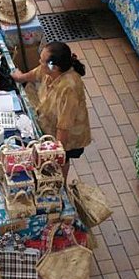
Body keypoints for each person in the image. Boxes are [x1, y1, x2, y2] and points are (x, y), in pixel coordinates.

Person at [11, 41, 91, 182]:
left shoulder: (69, 88)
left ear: (53, 67)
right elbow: (37, 72)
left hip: (68, 135)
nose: (39, 62)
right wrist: (21, 77)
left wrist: (53, 154)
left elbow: (63, 128)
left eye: (42, 61)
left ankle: (61, 181)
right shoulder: (50, 69)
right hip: (50, 119)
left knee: (63, 158)